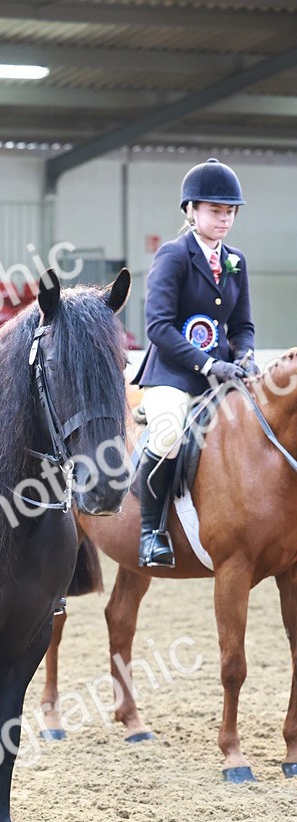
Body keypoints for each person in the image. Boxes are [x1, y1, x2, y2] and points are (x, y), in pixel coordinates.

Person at [132, 157, 257, 568]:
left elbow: (242, 325)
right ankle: (152, 532)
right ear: (191, 211)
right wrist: (207, 365)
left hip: (223, 372)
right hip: (172, 372)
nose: (224, 219)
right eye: (215, 211)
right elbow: (158, 327)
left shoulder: (235, 260)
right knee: (167, 433)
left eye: (230, 212)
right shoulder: (174, 255)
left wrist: (247, 355)